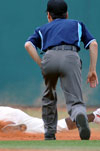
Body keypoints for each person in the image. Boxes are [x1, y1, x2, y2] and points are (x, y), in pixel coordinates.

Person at [0, 71, 100, 135]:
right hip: (7, 113)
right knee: (54, 127)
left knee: (0, 125)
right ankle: (94, 116)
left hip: (0, 116)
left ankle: (8, 127)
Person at [24, 0, 98, 140]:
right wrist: (92, 70)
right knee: (75, 99)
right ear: (67, 14)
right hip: (71, 57)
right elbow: (93, 44)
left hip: (50, 57)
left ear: (49, 16)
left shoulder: (42, 29)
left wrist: (42, 64)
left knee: (49, 97)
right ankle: (79, 115)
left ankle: (50, 133)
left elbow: (28, 45)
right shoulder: (77, 24)